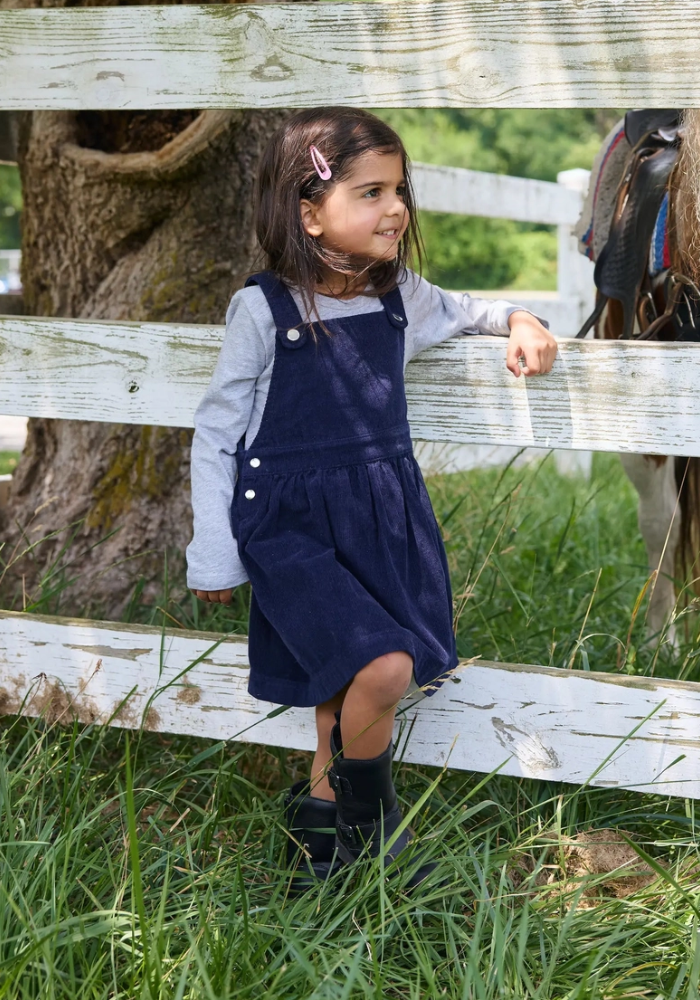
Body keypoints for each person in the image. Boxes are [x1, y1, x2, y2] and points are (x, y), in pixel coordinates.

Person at [186, 107, 557, 889]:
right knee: (383, 667)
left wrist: (525, 320)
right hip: (286, 523)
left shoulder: (400, 297)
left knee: (342, 681)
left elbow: (478, 311)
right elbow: (217, 431)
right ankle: (377, 826)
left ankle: (320, 847)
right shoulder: (265, 310)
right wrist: (214, 550)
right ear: (309, 211)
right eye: (370, 192)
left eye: (400, 189)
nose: (396, 209)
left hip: (380, 517)